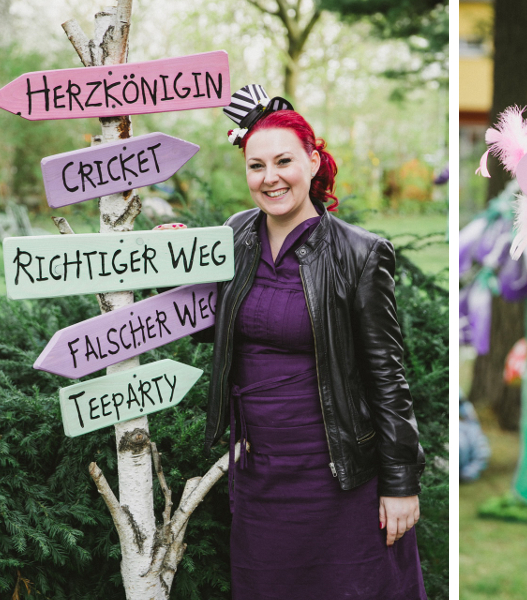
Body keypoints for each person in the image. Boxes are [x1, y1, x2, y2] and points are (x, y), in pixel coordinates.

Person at [163, 84, 427, 599]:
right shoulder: (235, 235)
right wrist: (174, 271)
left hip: (338, 475)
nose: (270, 178)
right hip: (260, 469)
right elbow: (220, 331)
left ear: (312, 159)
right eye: (256, 166)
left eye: (283, 161)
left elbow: (387, 377)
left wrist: (401, 483)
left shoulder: (361, 253)